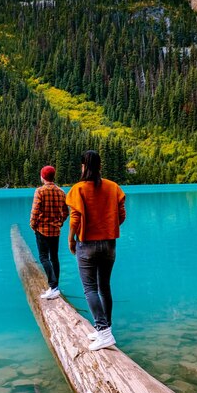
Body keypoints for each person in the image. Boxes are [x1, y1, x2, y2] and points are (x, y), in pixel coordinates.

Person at [66, 150, 126, 350]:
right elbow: (121, 216)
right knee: (104, 287)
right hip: (109, 244)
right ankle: (105, 329)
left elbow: (75, 219)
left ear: (83, 167)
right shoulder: (113, 187)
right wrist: (108, 227)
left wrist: (71, 240)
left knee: (90, 289)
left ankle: (103, 331)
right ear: (100, 166)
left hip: (87, 245)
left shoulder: (78, 189)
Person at [30, 165, 69, 300]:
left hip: (42, 230)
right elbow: (66, 212)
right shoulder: (61, 192)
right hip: (55, 231)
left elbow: (35, 211)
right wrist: (59, 222)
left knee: (43, 257)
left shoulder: (39, 191)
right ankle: (55, 286)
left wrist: (33, 225)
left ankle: (53, 287)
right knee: (54, 258)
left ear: (43, 177)